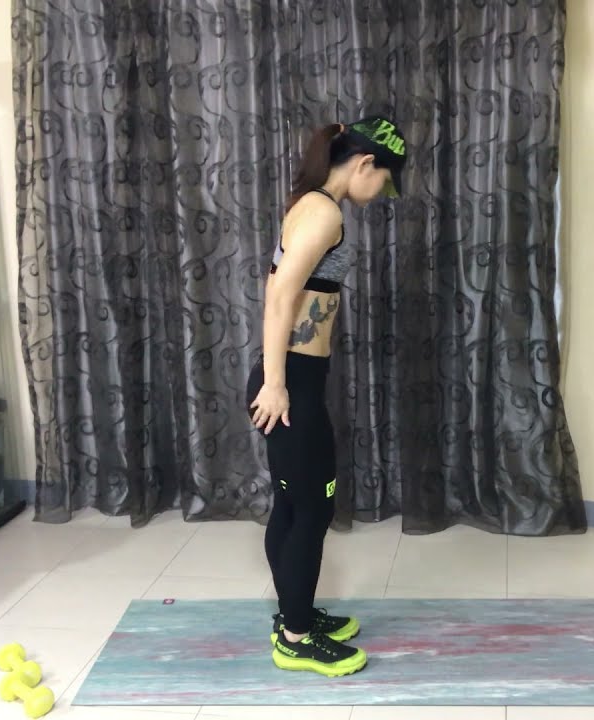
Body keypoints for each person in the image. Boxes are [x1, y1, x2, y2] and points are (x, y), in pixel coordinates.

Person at [246, 116, 407, 677]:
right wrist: (275, 384)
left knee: (296, 503)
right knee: (312, 507)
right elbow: (279, 297)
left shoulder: (314, 205)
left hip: (298, 377)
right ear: (365, 164)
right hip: (289, 381)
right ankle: (295, 637)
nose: (380, 191)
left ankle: (296, 613)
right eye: (383, 180)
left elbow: (281, 288)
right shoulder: (323, 212)